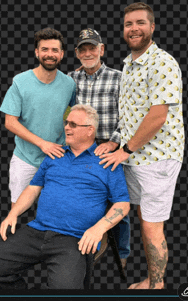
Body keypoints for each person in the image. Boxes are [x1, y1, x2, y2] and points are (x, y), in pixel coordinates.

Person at [0, 104, 130, 292]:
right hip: (37, 230)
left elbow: (122, 203)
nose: (66, 127)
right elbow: (33, 188)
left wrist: (99, 229)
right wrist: (13, 213)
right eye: (66, 123)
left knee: (66, 289)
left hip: (74, 238)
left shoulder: (107, 161)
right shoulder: (54, 155)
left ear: (90, 130)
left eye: (73, 124)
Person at [99, 2, 185, 289]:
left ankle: (156, 285)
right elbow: (130, 113)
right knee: (139, 215)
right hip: (135, 155)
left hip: (156, 158)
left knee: (151, 224)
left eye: (140, 22)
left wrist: (126, 149)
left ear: (152, 27)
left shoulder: (163, 62)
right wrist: (115, 142)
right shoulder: (129, 64)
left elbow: (157, 115)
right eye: (128, 24)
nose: (133, 28)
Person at [68, 28, 130, 269]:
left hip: (112, 147)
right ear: (76, 53)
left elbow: (130, 116)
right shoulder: (71, 79)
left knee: (118, 200)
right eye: (82, 49)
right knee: (82, 197)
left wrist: (113, 142)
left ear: (102, 49)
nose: (88, 52)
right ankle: (81, 248)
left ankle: (122, 253)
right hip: (82, 147)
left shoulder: (119, 77)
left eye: (92, 47)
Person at [0, 27, 76, 209]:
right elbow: (10, 121)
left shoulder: (69, 84)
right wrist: (42, 143)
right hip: (25, 158)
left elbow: (68, 113)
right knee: (17, 209)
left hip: (58, 158)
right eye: (45, 49)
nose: (50, 54)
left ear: (62, 54)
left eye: (55, 50)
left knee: (54, 209)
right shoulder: (20, 81)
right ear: (36, 52)